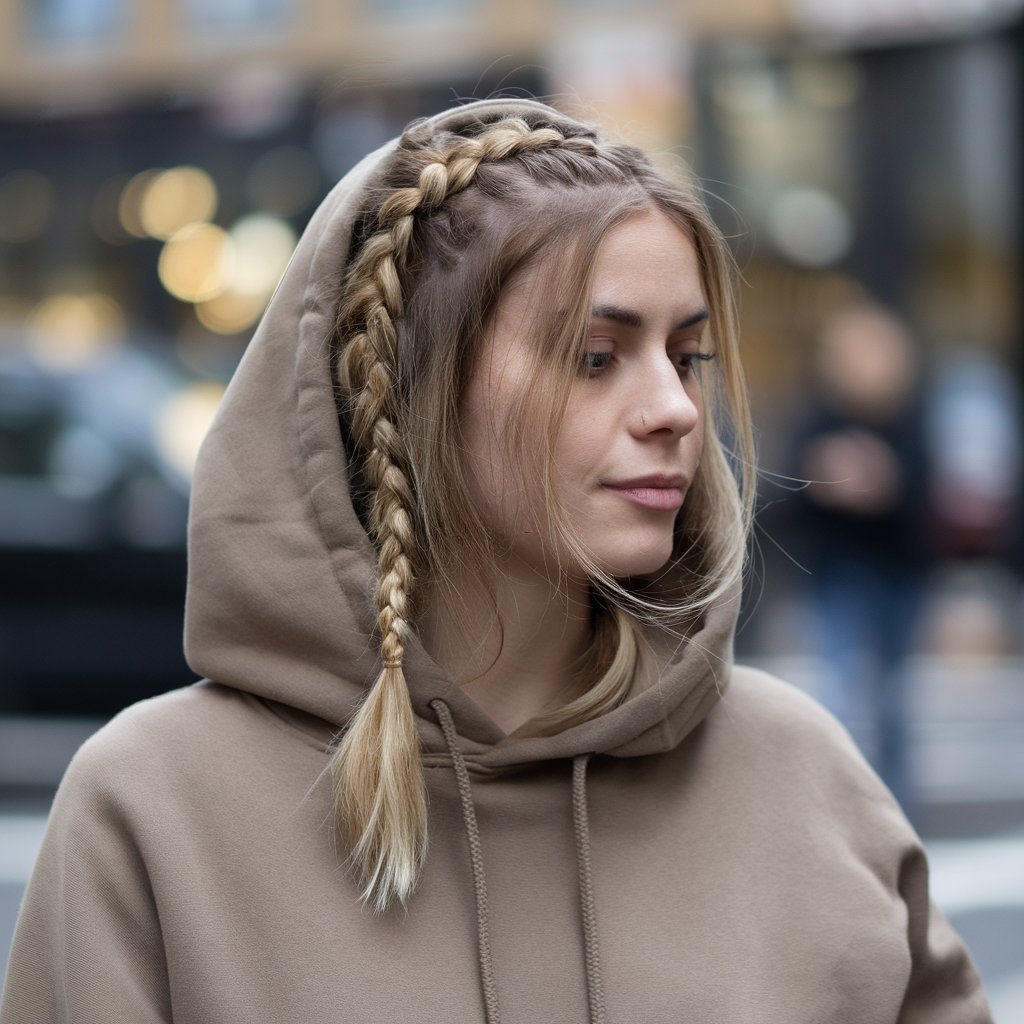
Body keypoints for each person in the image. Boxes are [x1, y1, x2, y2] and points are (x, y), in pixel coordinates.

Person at [1, 98, 991, 1022]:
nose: (677, 409)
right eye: (595, 357)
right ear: (412, 396)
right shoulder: (155, 811)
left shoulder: (802, 779)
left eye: (685, 355)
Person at [790, 301, 931, 816]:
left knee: (894, 694)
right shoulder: (820, 416)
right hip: (838, 569)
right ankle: (842, 798)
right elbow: (788, 489)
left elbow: (927, 493)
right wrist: (830, 479)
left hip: (900, 570)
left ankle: (897, 801)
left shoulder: (912, 417)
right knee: (842, 684)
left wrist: (886, 484)